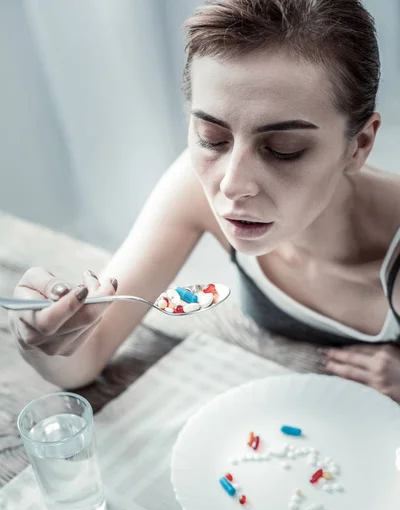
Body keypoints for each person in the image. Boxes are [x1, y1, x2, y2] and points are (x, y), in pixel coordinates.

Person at [8, 0, 400, 401]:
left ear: (360, 144)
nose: (232, 185)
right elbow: (83, 360)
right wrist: (44, 340)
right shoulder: (194, 185)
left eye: (282, 149)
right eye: (212, 139)